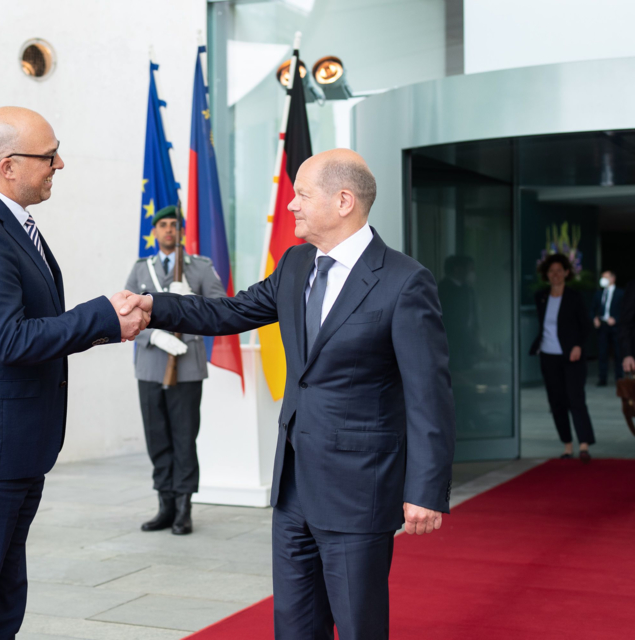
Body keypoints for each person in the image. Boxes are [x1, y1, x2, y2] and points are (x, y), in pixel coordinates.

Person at [119, 148, 455, 640]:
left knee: (360, 626)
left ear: (343, 201)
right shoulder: (296, 263)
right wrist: (152, 306)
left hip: (359, 490)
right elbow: (227, 312)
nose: (291, 206)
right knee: (295, 626)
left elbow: (430, 394)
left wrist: (425, 491)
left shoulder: (405, 283)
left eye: (302, 194)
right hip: (294, 486)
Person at [0, 106, 149, 639]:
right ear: (9, 165)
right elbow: (11, 339)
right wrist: (102, 317)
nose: (59, 164)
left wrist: (101, 323)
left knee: (0, 603)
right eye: (48, 156)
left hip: (9, 449)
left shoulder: (9, 223)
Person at [125, 205, 227, 535]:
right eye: (163, 225)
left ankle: (184, 507)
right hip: (152, 365)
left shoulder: (199, 267)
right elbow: (124, 313)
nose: (168, 230)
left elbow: (220, 309)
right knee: (158, 438)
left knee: (184, 436)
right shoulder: (143, 269)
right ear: (155, 231)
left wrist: (190, 307)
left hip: (186, 365)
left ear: (182, 231)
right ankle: (165, 504)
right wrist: (155, 336)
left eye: (174, 225)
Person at [529, 253, 595, 462]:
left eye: (559, 270)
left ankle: (583, 444)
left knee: (576, 399)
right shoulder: (541, 296)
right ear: (546, 275)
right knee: (556, 401)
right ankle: (567, 445)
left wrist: (577, 346)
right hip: (549, 356)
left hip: (571, 356)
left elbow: (586, 326)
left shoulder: (574, 297)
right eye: (551, 271)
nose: (555, 275)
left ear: (566, 272)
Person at [592, 270, 624, 386]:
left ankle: (619, 378)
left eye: (605, 277)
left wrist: (616, 319)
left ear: (612, 278)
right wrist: (595, 318)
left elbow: (626, 310)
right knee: (602, 352)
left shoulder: (621, 293)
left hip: (615, 327)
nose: (603, 280)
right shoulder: (598, 293)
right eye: (602, 277)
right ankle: (602, 378)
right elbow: (592, 309)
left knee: (618, 353)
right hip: (603, 326)